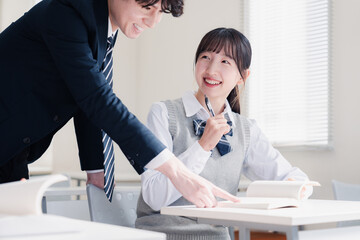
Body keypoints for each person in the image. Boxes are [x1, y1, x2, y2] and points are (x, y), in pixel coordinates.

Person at [0, 0, 239, 207]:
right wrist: (176, 171)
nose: (152, 21)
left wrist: (97, 169)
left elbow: (85, 100)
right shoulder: (67, 13)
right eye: (147, 6)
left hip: (13, 150)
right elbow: (96, 98)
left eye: (160, 11)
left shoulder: (99, 29)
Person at [135, 27, 313, 239]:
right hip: (161, 235)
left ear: (243, 76)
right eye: (205, 57)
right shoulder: (163, 113)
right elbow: (153, 197)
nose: (211, 69)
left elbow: (294, 177)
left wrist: (295, 189)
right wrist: (202, 147)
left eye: (225, 62)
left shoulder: (246, 130)